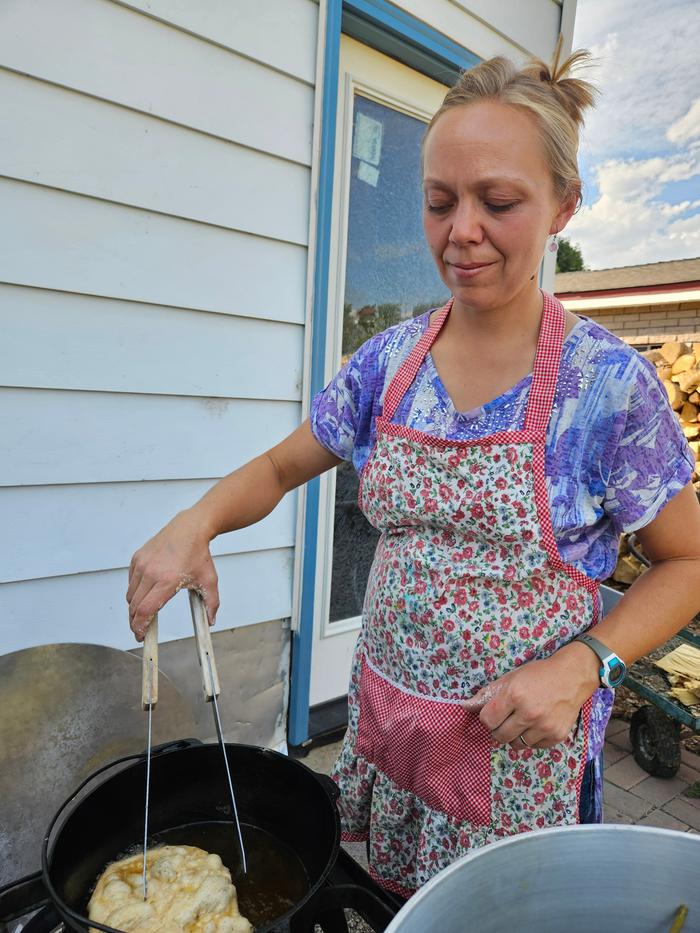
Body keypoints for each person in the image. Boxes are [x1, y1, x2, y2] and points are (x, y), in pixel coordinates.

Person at [127, 47, 700, 897]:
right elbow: (286, 464)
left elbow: (688, 562)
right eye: (439, 202)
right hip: (389, 732)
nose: (460, 230)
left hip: (515, 767)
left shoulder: (608, 389)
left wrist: (587, 663)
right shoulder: (388, 364)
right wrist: (194, 525)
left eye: (497, 202)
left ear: (563, 207)